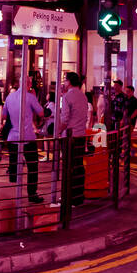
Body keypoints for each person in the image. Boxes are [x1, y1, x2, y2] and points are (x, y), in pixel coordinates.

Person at [4, 78, 45, 204]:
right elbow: (41, 113)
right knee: (32, 166)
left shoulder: (9, 97)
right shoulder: (30, 97)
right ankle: (32, 194)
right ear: (29, 84)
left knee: (14, 169)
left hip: (13, 137)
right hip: (27, 137)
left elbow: (4, 115)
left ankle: (13, 196)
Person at [58, 72, 89, 204]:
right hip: (81, 135)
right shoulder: (83, 97)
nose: (64, 83)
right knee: (78, 165)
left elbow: (64, 119)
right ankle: (78, 196)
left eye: (65, 81)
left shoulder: (67, 97)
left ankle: (67, 197)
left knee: (68, 167)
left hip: (70, 137)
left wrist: (58, 132)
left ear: (69, 82)